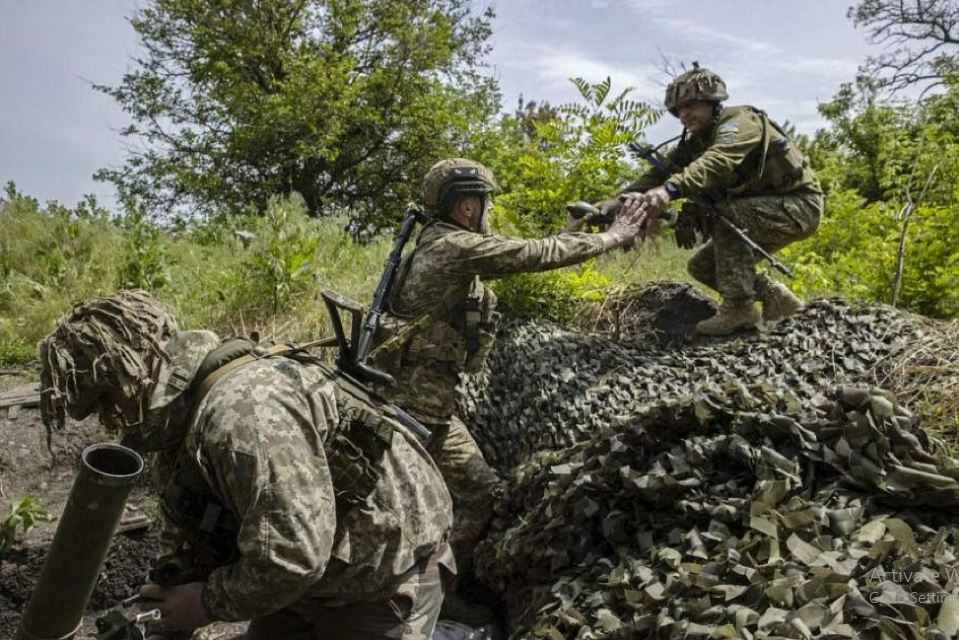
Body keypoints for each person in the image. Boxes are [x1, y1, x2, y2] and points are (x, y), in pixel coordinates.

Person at [38, 289, 455, 640]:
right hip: (312, 576)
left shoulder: (243, 416)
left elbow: (294, 558)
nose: (108, 421)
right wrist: (171, 590)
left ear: (134, 371)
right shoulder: (178, 413)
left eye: (107, 401)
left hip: (384, 576)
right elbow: (186, 518)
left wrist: (203, 604)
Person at [368, 158, 647, 577]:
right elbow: (529, 255)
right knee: (412, 506)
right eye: (486, 204)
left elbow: (519, 255)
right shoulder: (454, 247)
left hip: (428, 408)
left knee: (481, 493)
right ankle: (404, 591)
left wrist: (569, 232)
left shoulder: (440, 242)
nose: (489, 212)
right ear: (466, 208)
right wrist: (614, 236)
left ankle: (443, 588)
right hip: (414, 413)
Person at [602, 63, 823, 335]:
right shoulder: (696, 141)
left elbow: (717, 161)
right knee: (703, 266)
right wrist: (618, 200)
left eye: (690, 105)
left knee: (726, 215)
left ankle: (739, 308)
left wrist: (669, 190)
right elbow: (658, 174)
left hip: (800, 206)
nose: (683, 114)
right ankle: (773, 296)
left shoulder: (741, 122)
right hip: (768, 209)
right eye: (678, 110)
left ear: (712, 101)